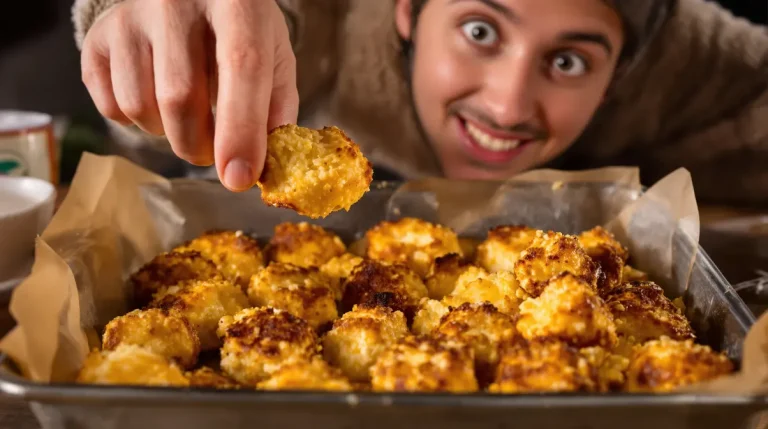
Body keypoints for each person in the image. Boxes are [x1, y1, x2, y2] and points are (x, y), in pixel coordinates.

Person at [72, 0, 767, 205]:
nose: (507, 106)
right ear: (406, 11)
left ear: (623, 75)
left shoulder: (681, 54)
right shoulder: (319, 23)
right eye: (480, 31)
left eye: (567, 61)